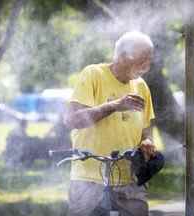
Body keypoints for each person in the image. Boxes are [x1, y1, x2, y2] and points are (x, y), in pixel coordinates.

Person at [64, 31, 156, 216]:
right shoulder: (93, 74)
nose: (147, 66)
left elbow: (146, 127)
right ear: (122, 56)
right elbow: (73, 120)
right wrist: (115, 105)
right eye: (141, 60)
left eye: (149, 59)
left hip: (128, 178)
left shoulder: (141, 86)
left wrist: (147, 141)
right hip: (89, 179)